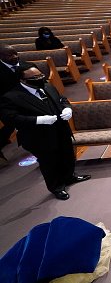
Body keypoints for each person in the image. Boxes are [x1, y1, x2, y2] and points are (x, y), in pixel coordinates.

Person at [0, 63, 91, 200]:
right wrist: (38, 120)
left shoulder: (47, 86)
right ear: (23, 80)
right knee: (49, 163)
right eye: (35, 77)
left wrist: (67, 108)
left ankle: (69, 177)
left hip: (61, 129)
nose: (40, 78)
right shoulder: (11, 97)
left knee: (67, 155)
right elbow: (11, 118)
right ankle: (57, 187)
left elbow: (61, 99)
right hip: (39, 136)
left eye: (41, 75)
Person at [0, 44, 35, 166]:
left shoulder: (28, 66)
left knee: (32, 124)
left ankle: (34, 147)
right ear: (1, 57)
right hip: (7, 105)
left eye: (16, 53)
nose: (15, 57)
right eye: (10, 55)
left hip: (29, 102)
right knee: (10, 126)